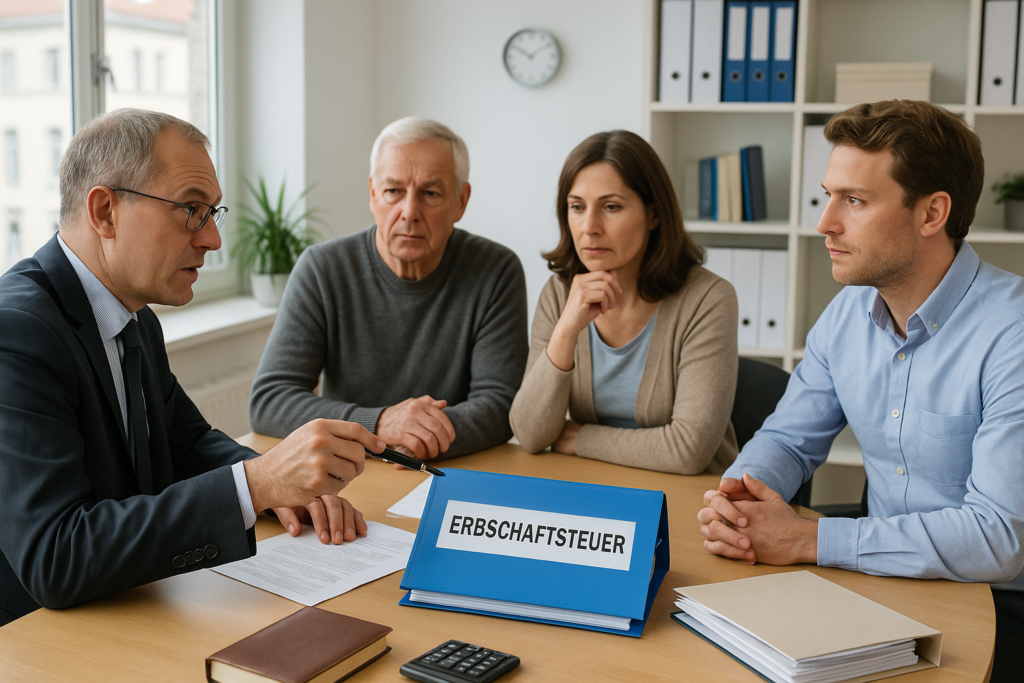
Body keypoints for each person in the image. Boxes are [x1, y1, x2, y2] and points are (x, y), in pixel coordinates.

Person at [0, 109, 386, 626]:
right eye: (190, 210)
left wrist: (283, 490)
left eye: (212, 213)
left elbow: (186, 443)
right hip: (35, 639)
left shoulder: (131, 314)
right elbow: (56, 556)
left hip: (129, 608)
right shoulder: (17, 331)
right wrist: (255, 485)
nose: (213, 240)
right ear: (105, 212)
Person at [696, 100, 1024, 681]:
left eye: (854, 200)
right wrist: (740, 500)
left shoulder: (1013, 333)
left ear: (932, 213)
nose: (825, 222)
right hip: (880, 580)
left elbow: (995, 538)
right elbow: (788, 440)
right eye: (829, 195)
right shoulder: (847, 313)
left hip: (999, 605)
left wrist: (808, 540)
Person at [249, 117, 528, 461]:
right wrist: (378, 426)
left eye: (430, 193)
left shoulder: (496, 270)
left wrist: (415, 439)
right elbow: (270, 399)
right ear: (372, 193)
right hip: (347, 473)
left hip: (454, 470)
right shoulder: (322, 268)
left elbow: (501, 404)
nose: (409, 212)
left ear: (461, 201)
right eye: (394, 191)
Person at [509, 130, 739, 475]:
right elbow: (529, 434)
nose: (589, 227)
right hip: (599, 489)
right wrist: (567, 329)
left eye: (611, 207)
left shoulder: (708, 300)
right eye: (576, 207)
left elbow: (688, 451)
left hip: (692, 502)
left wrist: (582, 439)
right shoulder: (559, 293)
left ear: (654, 215)